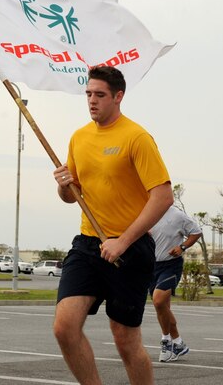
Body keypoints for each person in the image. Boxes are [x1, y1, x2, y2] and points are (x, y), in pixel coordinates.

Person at [51, 66, 173, 385]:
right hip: (89, 244)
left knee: (125, 340)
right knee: (64, 327)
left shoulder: (136, 137)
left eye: (100, 95)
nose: (92, 101)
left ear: (118, 97)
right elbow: (70, 196)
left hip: (130, 249)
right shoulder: (79, 137)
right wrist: (64, 185)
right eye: (89, 94)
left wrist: (124, 240)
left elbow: (162, 197)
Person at [148, 204, 202, 362]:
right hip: (152, 266)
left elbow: (196, 232)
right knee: (162, 307)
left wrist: (182, 247)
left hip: (171, 265)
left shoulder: (177, 215)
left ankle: (166, 341)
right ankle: (178, 343)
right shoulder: (147, 212)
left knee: (158, 302)